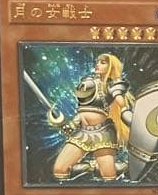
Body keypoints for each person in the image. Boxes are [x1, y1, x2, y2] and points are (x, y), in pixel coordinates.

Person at [48, 53, 135, 182]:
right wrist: (67, 124)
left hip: (102, 134)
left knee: (109, 176)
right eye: (97, 62)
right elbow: (83, 110)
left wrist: (128, 116)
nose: (97, 64)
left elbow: (121, 104)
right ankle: (93, 167)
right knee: (60, 171)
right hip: (82, 133)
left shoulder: (112, 85)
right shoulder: (87, 82)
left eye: (103, 62)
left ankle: (114, 168)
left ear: (111, 67)